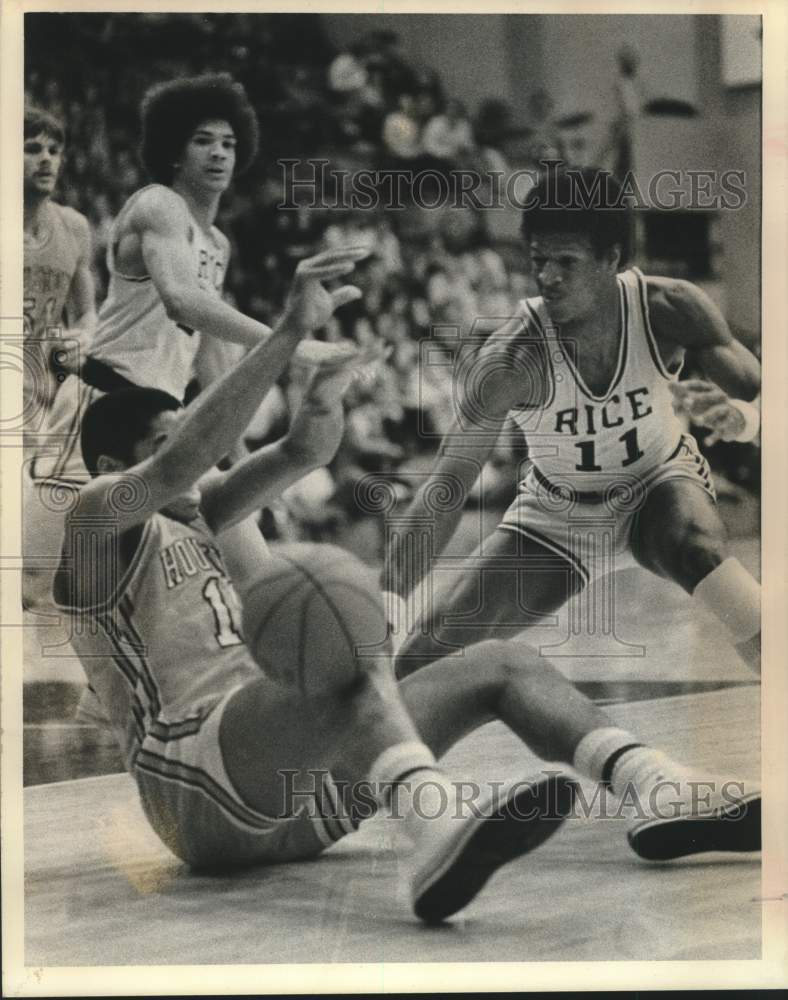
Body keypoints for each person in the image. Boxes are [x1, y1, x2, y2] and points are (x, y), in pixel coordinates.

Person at [55, 248, 759, 924]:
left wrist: (324, 395)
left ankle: (652, 786)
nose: (195, 468)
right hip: (190, 785)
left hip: (299, 797)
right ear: (114, 466)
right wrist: (290, 333)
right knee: (337, 650)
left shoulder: (210, 514)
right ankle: (434, 834)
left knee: (504, 665)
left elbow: (302, 450)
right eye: (159, 447)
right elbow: (185, 461)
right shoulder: (95, 523)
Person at [384, 167, 762, 678]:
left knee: (710, 563)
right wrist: (385, 606)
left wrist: (742, 419)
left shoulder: (669, 308)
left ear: (612, 259)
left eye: (567, 261)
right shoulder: (510, 359)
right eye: (539, 261)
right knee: (421, 662)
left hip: (658, 485)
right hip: (557, 516)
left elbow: (761, 394)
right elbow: (446, 488)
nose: (548, 277)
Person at [23, 106, 96, 452]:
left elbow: (87, 313)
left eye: (54, 151)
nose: (46, 160)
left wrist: (82, 337)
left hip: (43, 391)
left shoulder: (74, 227)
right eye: (32, 149)